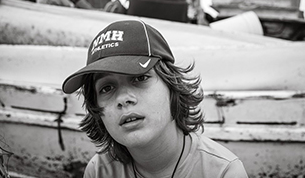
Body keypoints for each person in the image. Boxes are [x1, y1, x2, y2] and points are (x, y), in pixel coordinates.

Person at [61, 20, 248, 177]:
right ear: (96, 109)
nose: (124, 99)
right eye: (106, 88)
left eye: (140, 78)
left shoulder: (223, 172)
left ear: (172, 86)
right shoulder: (99, 171)